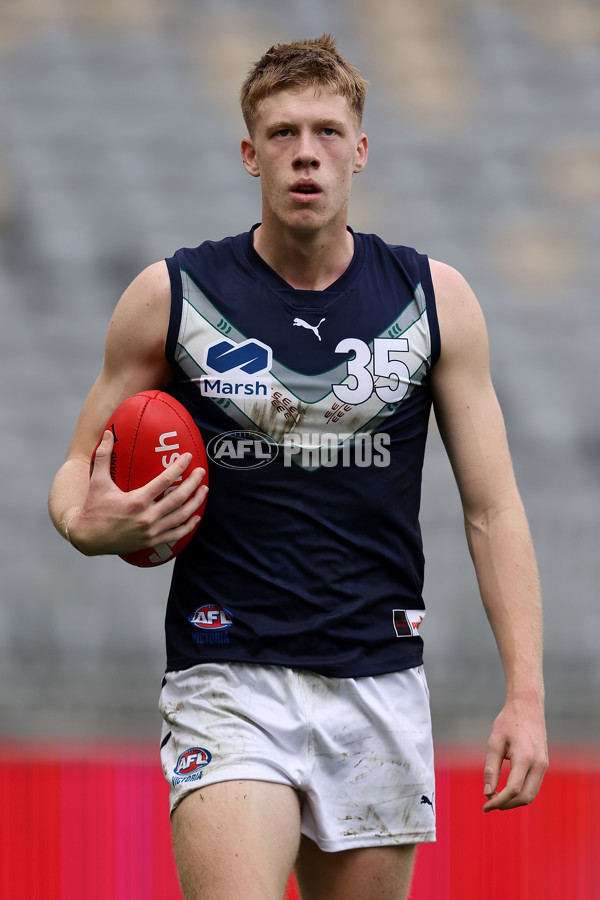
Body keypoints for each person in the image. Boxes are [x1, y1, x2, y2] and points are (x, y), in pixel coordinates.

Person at [48, 34, 548, 900]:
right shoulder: (173, 297)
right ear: (250, 153)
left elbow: (493, 510)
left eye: (325, 132)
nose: (304, 154)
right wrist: (88, 523)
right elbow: (72, 474)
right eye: (282, 134)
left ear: (361, 149)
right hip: (226, 673)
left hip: (379, 679)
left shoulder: (435, 301)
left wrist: (527, 698)